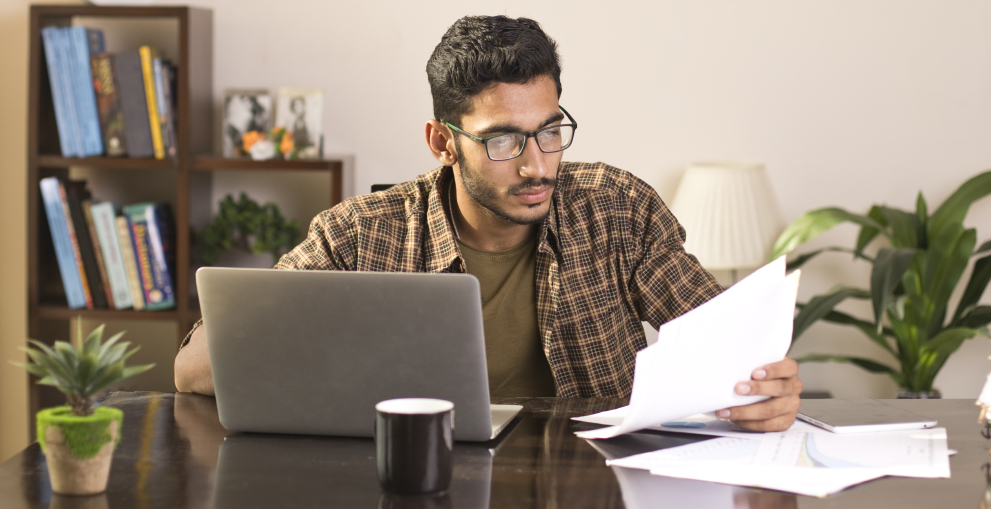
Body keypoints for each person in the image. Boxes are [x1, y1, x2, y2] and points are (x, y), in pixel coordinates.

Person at [175, 15, 801, 432]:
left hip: (590, 483)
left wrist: (769, 388)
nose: (536, 165)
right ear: (441, 142)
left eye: (550, 131)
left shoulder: (615, 207)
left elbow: (732, 345)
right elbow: (191, 372)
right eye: (503, 139)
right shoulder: (362, 233)